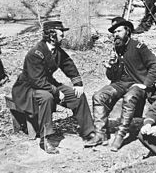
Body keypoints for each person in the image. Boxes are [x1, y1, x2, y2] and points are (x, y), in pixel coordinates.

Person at [11, 20, 101, 154]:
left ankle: (89, 132)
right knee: (47, 97)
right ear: (52, 35)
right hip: (27, 89)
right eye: (61, 33)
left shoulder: (56, 51)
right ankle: (45, 139)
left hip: (46, 83)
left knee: (78, 95)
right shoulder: (35, 53)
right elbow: (36, 80)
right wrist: (56, 92)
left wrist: (77, 83)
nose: (63, 36)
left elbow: (68, 64)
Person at [87, 16, 156, 152]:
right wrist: (111, 67)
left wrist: (146, 84)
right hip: (121, 84)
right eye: (114, 32)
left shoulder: (139, 47)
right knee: (99, 96)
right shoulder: (117, 49)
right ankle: (100, 134)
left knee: (129, 97)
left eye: (119, 31)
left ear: (127, 32)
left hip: (137, 84)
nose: (116, 35)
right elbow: (113, 77)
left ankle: (121, 134)